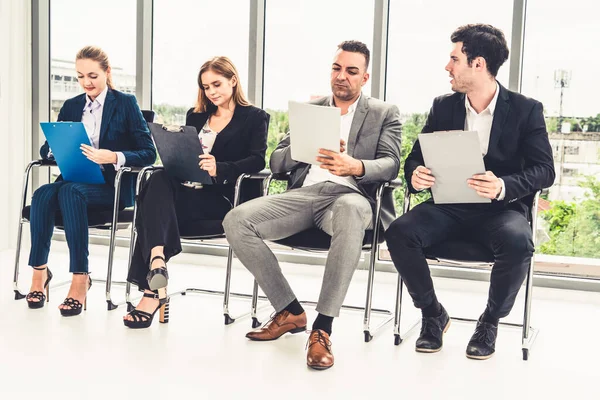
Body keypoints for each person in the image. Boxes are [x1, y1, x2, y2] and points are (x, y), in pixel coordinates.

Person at [223, 41, 401, 370]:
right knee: (236, 220)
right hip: (305, 194)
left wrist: (355, 165)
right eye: (337, 68)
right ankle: (290, 310)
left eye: (351, 71)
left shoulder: (383, 113)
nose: (342, 76)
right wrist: (307, 146)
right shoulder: (312, 109)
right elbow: (277, 163)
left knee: (348, 210)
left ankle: (322, 329)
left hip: (351, 196)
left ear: (365, 77)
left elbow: (391, 164)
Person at [384, 24, 555, 360]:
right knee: (399, 232)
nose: (447, 67)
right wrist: (415, 174)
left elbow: (544, 170)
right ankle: (433, 314)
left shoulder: (525, 110)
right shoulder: (443, 106)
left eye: (454, 59)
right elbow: (416, 157)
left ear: (478, 63)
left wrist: (504, 185)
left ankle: (490, 321)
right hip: (448, 206)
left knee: (519, 242)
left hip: (500, 211)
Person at [123, 56, 269, 329]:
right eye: (206, 87)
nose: (212, 92)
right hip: (188, 193)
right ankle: (157, 260)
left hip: (222, 199)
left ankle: (152, 291)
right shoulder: (197, 115)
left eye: (217, 84)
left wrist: (220, 168)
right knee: (156, 177)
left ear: (233, 80)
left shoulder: (254, 117)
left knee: (149, 210)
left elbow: (258, 160)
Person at [26, 45, 156, 316]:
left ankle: (80, 279)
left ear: (107, 73)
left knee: (69, 192)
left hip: (112, 188)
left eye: (93, 76)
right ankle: (39, 273)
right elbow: (45, 150)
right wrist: (56, 147)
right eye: (80, 76)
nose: (87, 82)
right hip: (75, 180)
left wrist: (113, 156)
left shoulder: (125, 104)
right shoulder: (72, 106)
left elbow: (148, 154)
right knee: (41, 194)